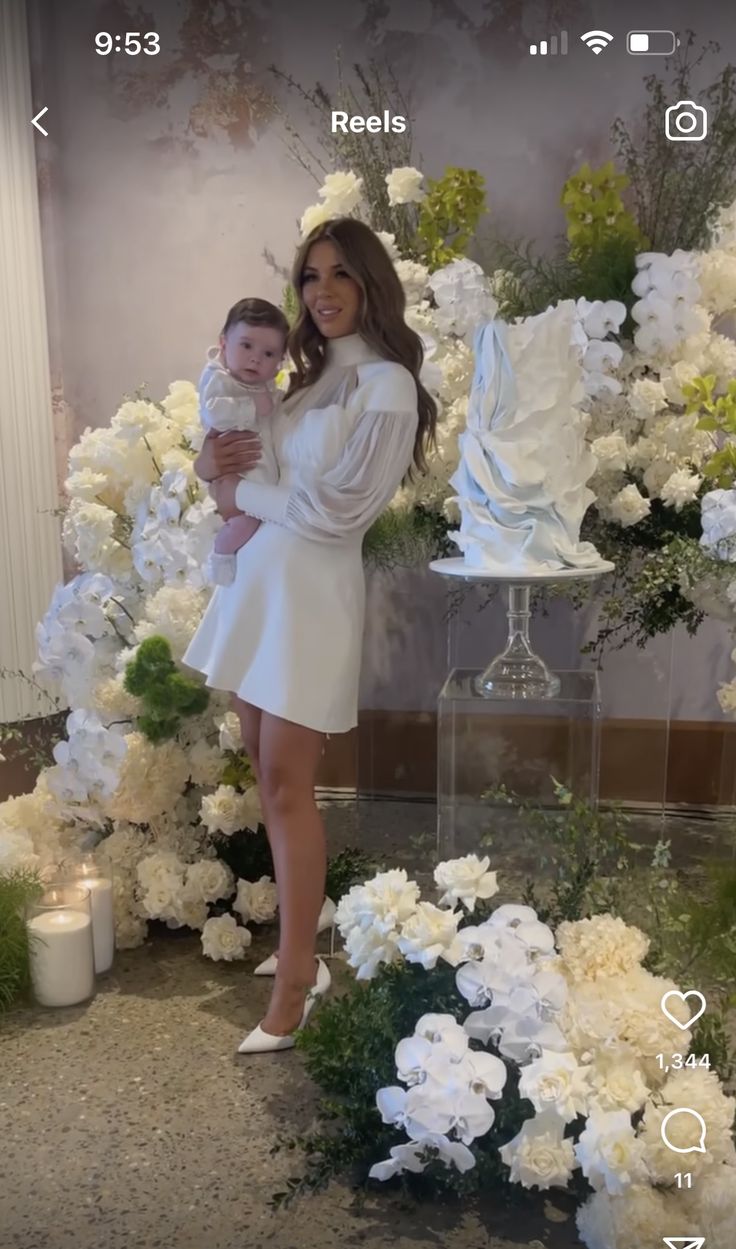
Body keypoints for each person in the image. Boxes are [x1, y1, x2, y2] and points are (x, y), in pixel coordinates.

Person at [183, 217, 437, 1053]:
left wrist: (242, 496)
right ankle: (305, 946)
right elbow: (247, 480)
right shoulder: (304, 380)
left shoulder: (386, 387)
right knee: (265, 769)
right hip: (261, 588)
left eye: (339, 273)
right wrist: (212, 468)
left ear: (370, 283)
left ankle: (297, 978)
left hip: (312, 600)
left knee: (291, 785)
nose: (321, 290)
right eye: (309, 275)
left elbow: (335, 516)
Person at [197, 297, 288, 586]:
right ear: (224, 344)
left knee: (259, 527)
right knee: (244, 522)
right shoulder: (218, 378)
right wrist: (252, 407)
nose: (255, 358)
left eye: (269, 353)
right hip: (235, 475)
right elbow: (213, 411)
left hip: (259, 478)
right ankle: (221, 555)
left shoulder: (265, 387)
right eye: (246, 346)